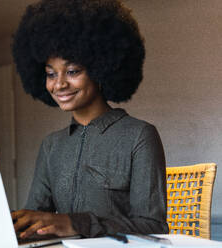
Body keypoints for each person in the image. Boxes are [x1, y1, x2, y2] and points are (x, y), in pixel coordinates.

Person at [11, 0, 169, 239]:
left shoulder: (139, 135)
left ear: (101, 68)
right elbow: (37, 216)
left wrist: (76, 224)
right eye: (50, 74)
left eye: (72, 71)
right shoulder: (52, 145)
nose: (59, 84)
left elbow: (153, 225)